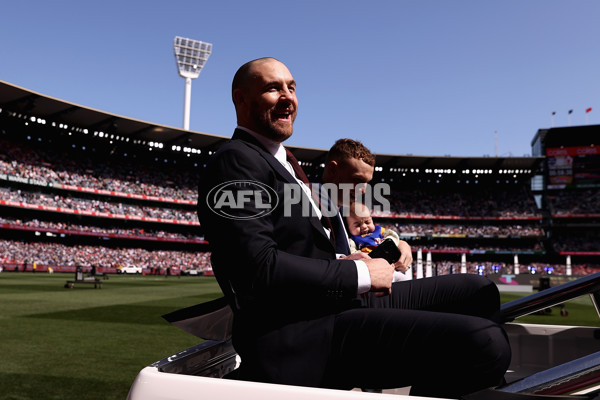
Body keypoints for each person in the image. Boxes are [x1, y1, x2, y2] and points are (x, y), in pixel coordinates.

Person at [196, 57, 510, 398]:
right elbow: (254, 268)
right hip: (304, 331)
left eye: (292, 87)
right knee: (484, 341)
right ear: (241, 99)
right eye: (273, 88)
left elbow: (301, 246)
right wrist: (360, 275)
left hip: (334, 304)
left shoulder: (283, 160)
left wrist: (353, 259)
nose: (288, 96)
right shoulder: (235, 160)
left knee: (478, 290)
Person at [321, 138, 413, 270]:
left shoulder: (347, 214)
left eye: (366, 182)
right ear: (332, 170)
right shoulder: (307, 207)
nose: (363, 190)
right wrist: (344, 261)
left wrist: (403, 245)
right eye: (357, 179)